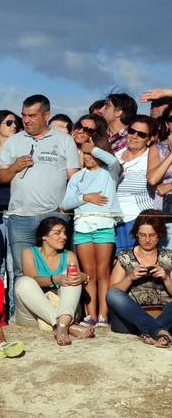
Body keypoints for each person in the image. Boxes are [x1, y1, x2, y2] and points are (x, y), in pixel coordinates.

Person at [0, 95, 78, 306]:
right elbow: (2, 178)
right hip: (20, 217)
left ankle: (61, 310)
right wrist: (15, 167)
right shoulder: (14, 141)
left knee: (57, 267)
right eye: (24, 115)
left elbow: (74, 177)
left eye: (32, 115)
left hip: (53, 215)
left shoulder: (64, 140)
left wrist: (64, 208)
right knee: (21, 270)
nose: (26, 120)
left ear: (46, 115)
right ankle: (21, 314)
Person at [63, 133, 120, 328]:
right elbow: (65, 203)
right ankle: (91, 314)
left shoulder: (109, 173)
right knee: (88, 273)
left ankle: (103, 315)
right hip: (82, 227)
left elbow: (113, 161)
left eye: (90, 152)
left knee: (103, 272)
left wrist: (92, 147)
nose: (87, 155)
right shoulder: (77, 177)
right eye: (84, 152)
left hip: (104, 226)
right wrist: (85, 198)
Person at [15, 216, 89, 344]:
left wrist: (82, 277)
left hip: (65, 309)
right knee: (23, 282)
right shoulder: (29, 253)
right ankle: (65, 325)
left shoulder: (70, 255)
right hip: (34, 314)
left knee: (71, 275)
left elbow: (79, 278)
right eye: (58, 233)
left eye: (65, 233)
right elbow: (32, 278)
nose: (64, 237)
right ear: (44, 236)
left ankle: (61, 324)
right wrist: (54, 279)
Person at [106, 212, 172, 346]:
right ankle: (159, 330)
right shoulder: (125, 256)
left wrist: (165, 277)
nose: (147, 240)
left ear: (159, 234)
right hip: (130, 319)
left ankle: (150, 330)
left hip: (163, 314)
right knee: (112, 294)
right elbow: (112, 293)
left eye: (152, 235)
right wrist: (130, 277)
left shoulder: (168, 257)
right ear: (136, 234)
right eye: (142, 235)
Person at [114, 115, 170, 250]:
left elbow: (155, 180)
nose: (134, 136)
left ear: (150, 139)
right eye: (132, 131)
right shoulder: (115, 155)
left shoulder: (151, 158)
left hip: (138, 221)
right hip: (114, 220)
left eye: (141, 134)